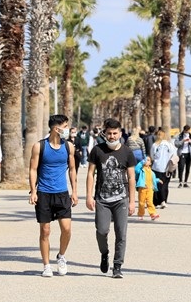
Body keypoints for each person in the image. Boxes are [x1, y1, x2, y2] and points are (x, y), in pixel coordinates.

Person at [86, 118, 137, 279]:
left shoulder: (127, 152)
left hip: (121, 200)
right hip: (102, 199)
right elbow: (90, 174)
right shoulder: (97, 150)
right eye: (109, 133)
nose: (112, 136)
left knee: (121, 233)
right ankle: (104, 253)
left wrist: (132, 201)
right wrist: (89, 196)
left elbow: (131, 177)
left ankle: (117, 265)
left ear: (120, 133)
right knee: (102, 231)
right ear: (104, 134)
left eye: (115, 133)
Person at [29, 114, 78, 278]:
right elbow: (33, 169)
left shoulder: (68, 147)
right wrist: (33, 191)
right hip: (44, 193)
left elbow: (72, 169)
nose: (67, 129)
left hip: (62, 194)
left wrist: (75, 192)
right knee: (45, 230)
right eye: (65, 126)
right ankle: (46, 265)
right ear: (56, 128)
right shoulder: (39, 146)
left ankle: (61, 256)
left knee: (67, 229)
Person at [151, 128, 176, 208]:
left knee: (156, 185)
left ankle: (156, 201)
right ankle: (163, 200)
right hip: (166, 168)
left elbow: (152, 156)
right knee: (165, 185)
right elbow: (174, 155)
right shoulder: (169, 145)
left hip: (156, 167)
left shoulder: (155, 145)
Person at [135, 156, 161, 220]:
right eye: (146, 160)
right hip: (143, 188)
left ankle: (153, 214)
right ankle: (140, 214)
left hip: (150, 189)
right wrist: (141, 163)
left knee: (150, 202)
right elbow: (136, 169)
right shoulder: (141, 170)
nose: (146, 161)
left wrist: (158, 180)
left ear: (150, 163)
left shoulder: (152, 172)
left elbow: (153, 179)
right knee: (141, 202)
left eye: (148, 160)